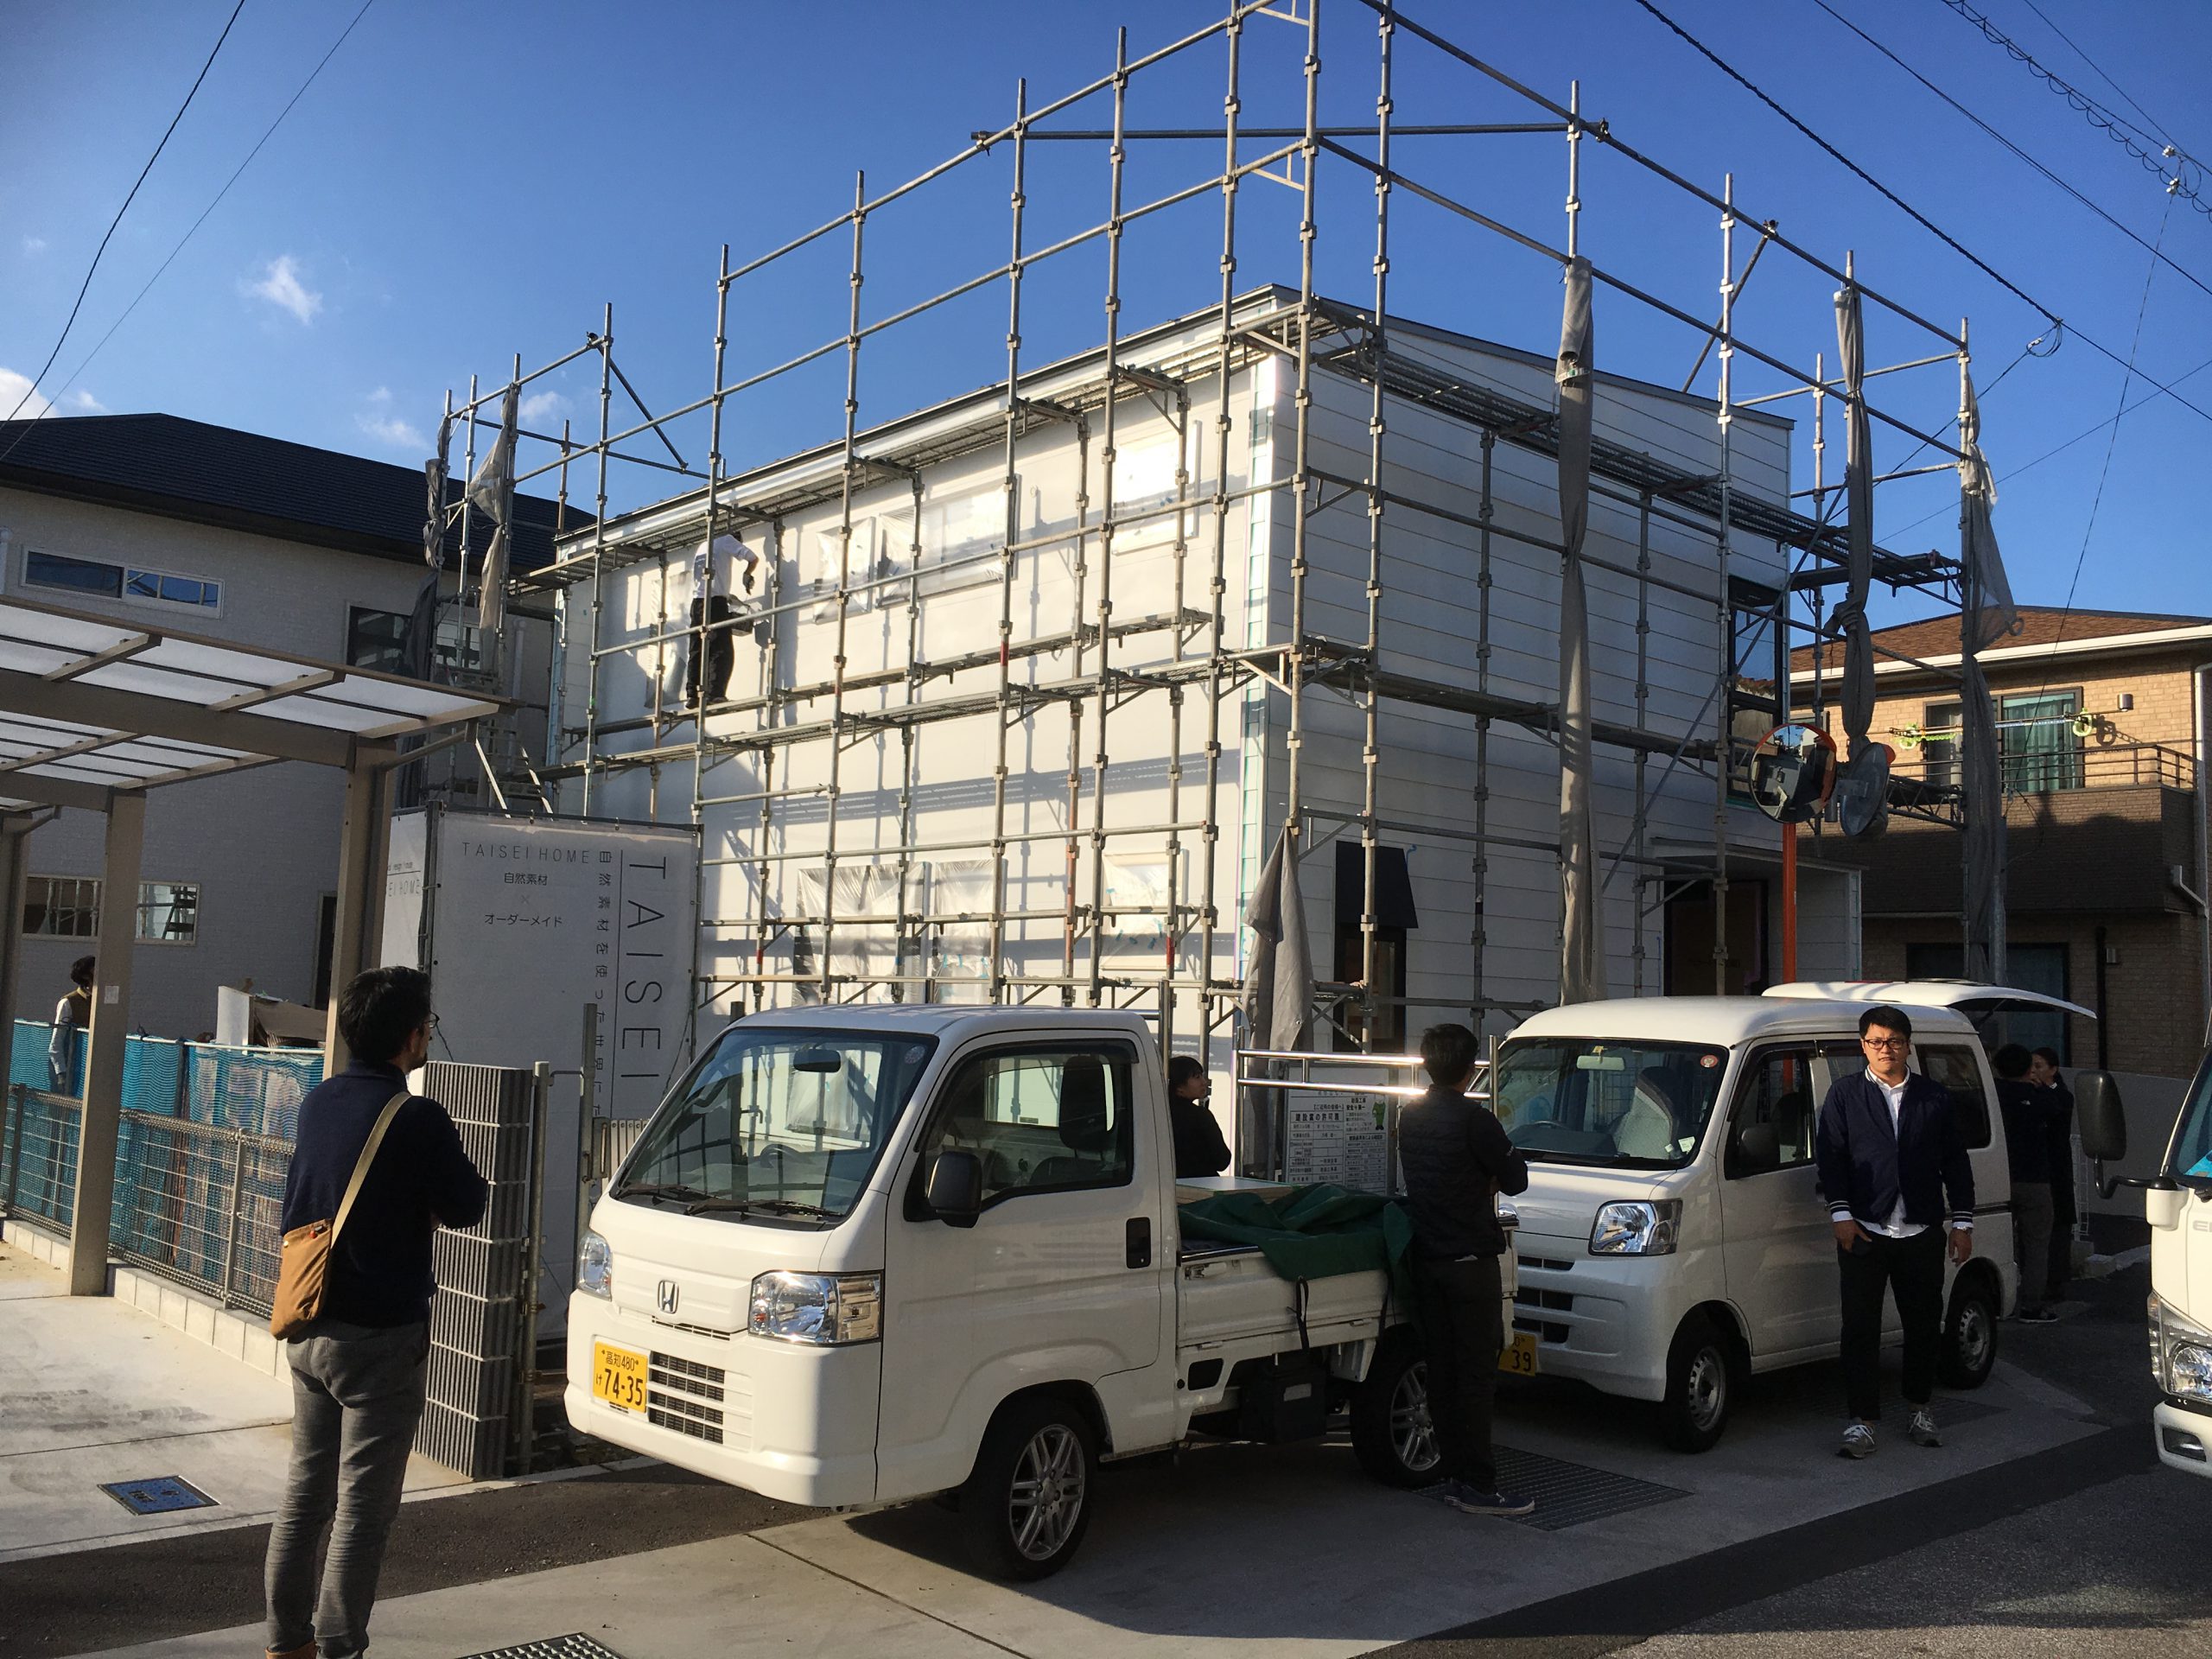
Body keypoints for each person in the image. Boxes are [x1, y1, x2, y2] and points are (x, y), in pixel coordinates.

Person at [264, 968, 487, 1659]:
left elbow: (303, 1200)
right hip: (380, 1338)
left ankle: (286, 1644)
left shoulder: (319, 1101)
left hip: (308, 1322)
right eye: (427, 1027)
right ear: (412, 1037)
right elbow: (468, 1205)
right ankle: (339, 1647)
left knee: (306, 1494)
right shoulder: (417, 1116)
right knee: (363, 1507)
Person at [1815, 1004, 1974, 1459]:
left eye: (1895, 1041)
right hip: (1864, 1229)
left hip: (1921, 1230)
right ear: (1863, 1046)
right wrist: (1841, 1216)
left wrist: (1962, 1222)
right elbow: (1832, 1157)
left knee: (1923, 1326)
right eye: (1876, 1041)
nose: (1886, 1049)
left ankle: (1920, 1408)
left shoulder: (1933, 1097)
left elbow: (1955, 1162)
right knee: (1859, 1328)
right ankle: (1861, 1421)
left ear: (1908, 1046)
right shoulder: (1845, 1094)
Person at [1396, 1022, 1533, 1516]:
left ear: (1426, 1063)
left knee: (1443, 1372)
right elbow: (1516, 1179)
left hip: (1428, 1258)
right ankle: (1478, 1485)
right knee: (1475, 1378)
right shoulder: (1477, 1120)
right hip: (1471, 1264)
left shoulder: (1409, 1115)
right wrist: (1486, 1179)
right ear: (1471, 1068)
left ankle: (1455, 1475)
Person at [1992, 1044, 2057, 1324]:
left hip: (1998, 1177)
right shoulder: (2039, 1099)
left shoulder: (1991, 1094)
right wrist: (2042, 1086)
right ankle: (2031, 1305)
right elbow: (2057, 1109)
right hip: (2034, 1181)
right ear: (2028, 1069)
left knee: (1997, 1241)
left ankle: (1997, 1300)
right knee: (2037, 1245)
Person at [2031, 1046, 2076, 1302]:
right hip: (2036, 1168)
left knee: (2057, 1226)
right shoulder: (2030, 1093)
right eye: (2031, 1066)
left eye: (2039, 1066)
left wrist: (2040, 1090)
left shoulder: (2062, 1096)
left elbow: (2056, 1111)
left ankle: (2056, 1281)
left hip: (2056, 1170)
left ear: (2053, 1069)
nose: (2034, 1071)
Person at [1166, 1055, 1230, 1179]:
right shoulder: (1200, 1116)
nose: (1204, 1082)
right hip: (1202, 1183)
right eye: (1197, 1077)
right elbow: (1222, 1160)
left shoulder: (1156, 1113)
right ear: (1179, 1087)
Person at [47, 954, 94, 1090]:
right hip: (72, 1072)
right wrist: (61, 1073)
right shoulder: (68, 1002)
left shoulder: (103, 1002)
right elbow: (56, 1042)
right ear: (86, 976)